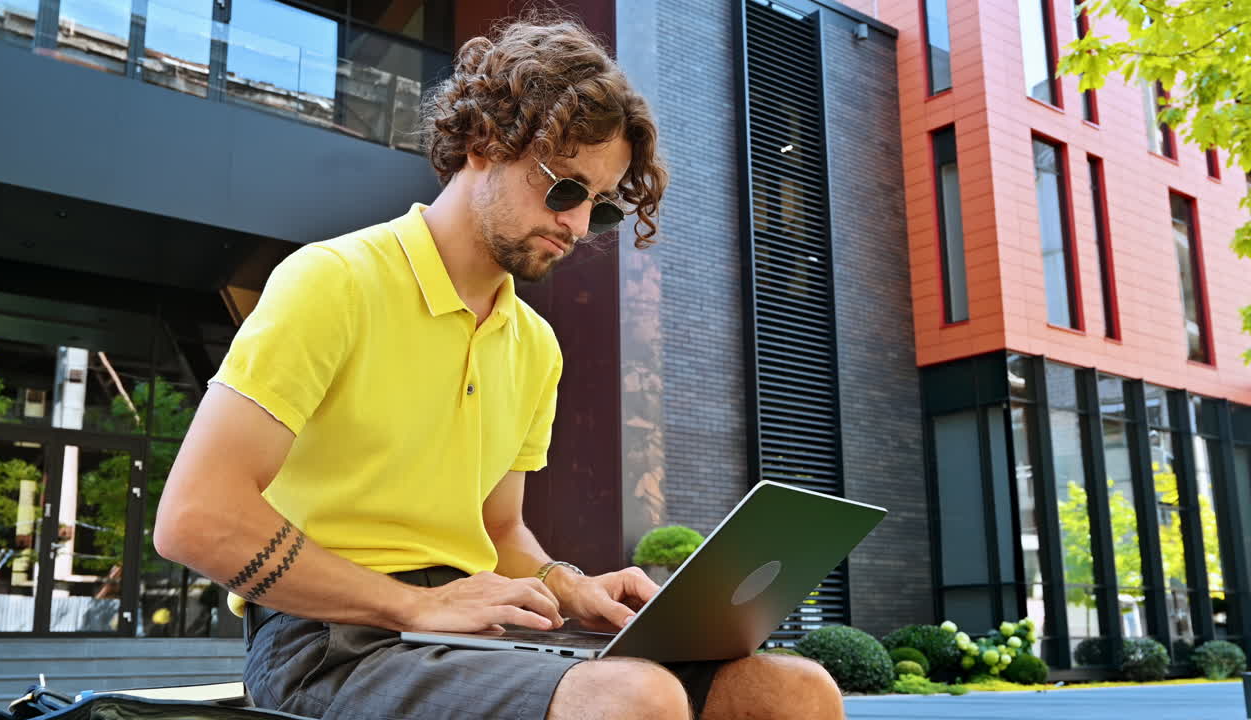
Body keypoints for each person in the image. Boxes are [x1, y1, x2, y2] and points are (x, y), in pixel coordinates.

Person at [154, 15, 844, 720]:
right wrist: (416, 603)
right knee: (634, 699)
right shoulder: (333, 281)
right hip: (326, 644)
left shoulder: (534, 345)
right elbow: (194, 518)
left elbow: (501, 530)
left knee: (791, 690)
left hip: (471, 626)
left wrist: (568, 584)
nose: (577, 228)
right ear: (485, 140)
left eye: (600, 211)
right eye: (565, 189)